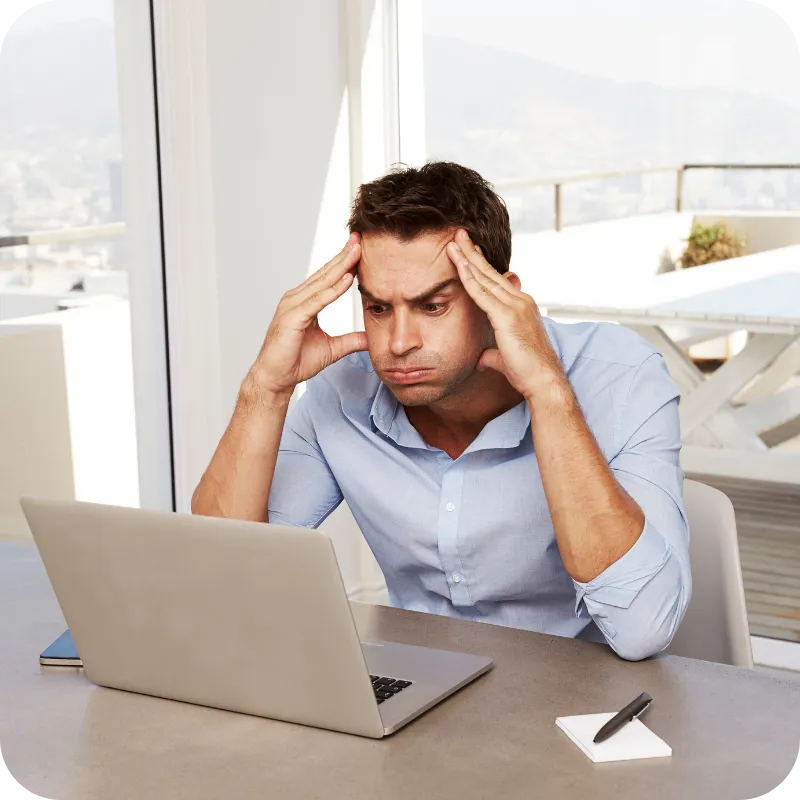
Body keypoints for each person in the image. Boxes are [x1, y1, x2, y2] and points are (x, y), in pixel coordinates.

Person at [192, 161, 691, 661]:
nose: (399, 343)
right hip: (418, 688)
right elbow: (224, 575)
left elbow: (642, 630)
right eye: (379, 308)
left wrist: (548, 393)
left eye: (433, 306)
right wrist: (265, 388)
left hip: (585, 699)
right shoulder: (343, 389)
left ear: (501, 297)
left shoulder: (620, 378)